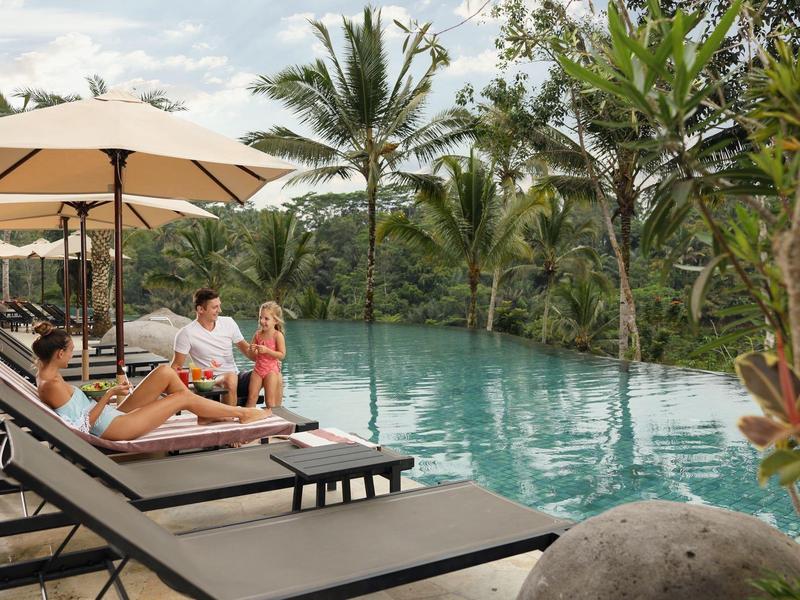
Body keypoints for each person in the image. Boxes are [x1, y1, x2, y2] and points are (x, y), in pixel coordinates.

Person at [32, 322, 269, 441]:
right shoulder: (51, 385)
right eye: (71, 350)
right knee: (182, 397)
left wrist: (111, 397)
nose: (73, 354)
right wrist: (108, 394)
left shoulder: (48, 372)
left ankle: (205, 412)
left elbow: (74, 409)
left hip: (111, 416)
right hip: (113, 428)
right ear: (59, 354)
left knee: (166, 372)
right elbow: (81, 428)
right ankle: (241, 413)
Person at [171, 288, 256, 406]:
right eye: (215, 307)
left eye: (219, 306)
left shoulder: (228, 323)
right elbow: (176, 366)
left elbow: (247, 350)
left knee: (270, 373)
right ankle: (229, 419)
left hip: (235, 377)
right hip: (210, 382)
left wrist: (268, 359)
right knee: (230, 378)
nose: (219, 310)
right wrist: (178, 391)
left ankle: (273, 415)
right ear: (200, 309)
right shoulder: (186, 333)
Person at [247, 301, 285, 408]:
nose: (262, 321)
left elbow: (282, 355)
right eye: (260, 318)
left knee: (269, 401)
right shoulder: (258, 334)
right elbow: (251, 352)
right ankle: (249, 418)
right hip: (258, 369)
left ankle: (272, 422)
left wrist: (267, 350)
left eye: (266, 319)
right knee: (251, 398)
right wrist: (252, 349)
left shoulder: (278, 336)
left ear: (275, 321)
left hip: (271, 371)